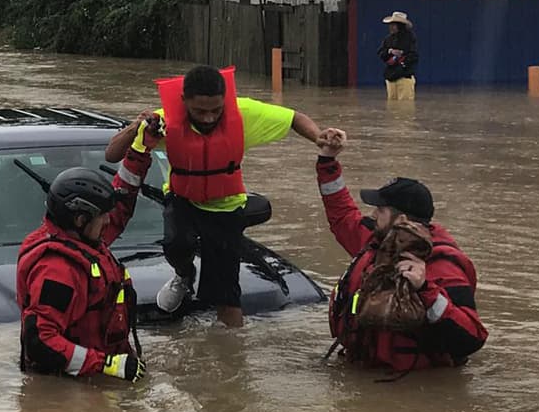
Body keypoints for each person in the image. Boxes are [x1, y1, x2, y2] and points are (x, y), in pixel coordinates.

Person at [103, 64, 329, 328]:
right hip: (182, 200)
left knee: (228, 298)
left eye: (216, 110)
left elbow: (294, 118)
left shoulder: (243, 113)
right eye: (200, 111)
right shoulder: (164, 121)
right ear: (184, 101)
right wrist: (135, 127)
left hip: (226, 209)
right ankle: (184, 275)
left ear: (225, 101)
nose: (209, 118)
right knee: (176, 243)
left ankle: (230, 344)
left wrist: (319, 137)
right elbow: (112, 154)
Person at [315, 128, 487, 372]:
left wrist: (426, 290)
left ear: (402, 220)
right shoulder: (375, 241)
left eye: (380, 210)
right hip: (362, 370)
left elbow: (472, 338)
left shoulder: (442, 264)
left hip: (414, 383)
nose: (373, 215)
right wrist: (327, 161)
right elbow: (342, 214)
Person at [17, 113, 163, 382]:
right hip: (74, 385)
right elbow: (40, 342)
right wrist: (106, 365)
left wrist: (140, 149)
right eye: (102, 216)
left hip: (101, 372)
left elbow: (121, 203)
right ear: (80, 219)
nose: (109, 221)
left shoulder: (83, 237)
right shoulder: (57, 270)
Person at [378, 11, 418, 100]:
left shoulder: (410, 38)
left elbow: (414, 56)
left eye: (393, 24)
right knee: (391, 105)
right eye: (390, 24)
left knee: (405, 105)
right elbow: (381, 53)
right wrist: (390, 51)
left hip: (404, 77)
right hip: (390, 77)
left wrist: (402, 63)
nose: (391, 27)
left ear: (400, 25)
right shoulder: (388, 39)